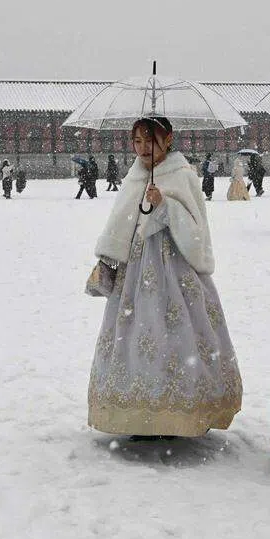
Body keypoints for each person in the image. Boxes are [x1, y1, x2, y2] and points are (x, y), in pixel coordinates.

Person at [88, 116, 242, 438]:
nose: (143, 148)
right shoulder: (134, 176)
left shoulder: (182, 175)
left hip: (173, 267)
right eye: (138, 141)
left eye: (150, 140)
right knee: (136, 334)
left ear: (168, 139)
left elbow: (196, 230)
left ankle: (176, 413)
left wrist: (166, 207)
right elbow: (121, 221)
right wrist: (109, 257)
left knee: (174, 334)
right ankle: (139, 411)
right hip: (134, 269)